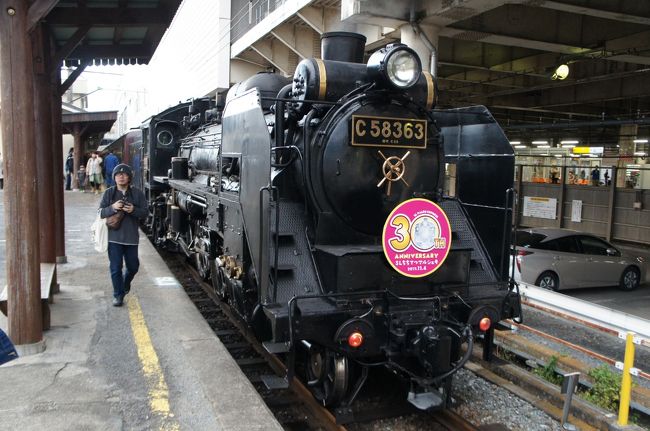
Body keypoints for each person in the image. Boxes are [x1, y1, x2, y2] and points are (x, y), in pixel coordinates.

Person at [99, 164, 147, 306]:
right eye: (118, 175)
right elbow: (100, 213)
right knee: (115, 267)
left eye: (124, 174)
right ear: (114, 177)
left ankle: (125, 284)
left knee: (133, 267)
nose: (121, 176)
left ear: (129, 177)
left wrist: (133, 210)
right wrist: (112, 208)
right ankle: (118, 295)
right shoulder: (109, 193)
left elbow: (145, 213)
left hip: (131, 237)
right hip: (114, 237)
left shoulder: (137, 194)